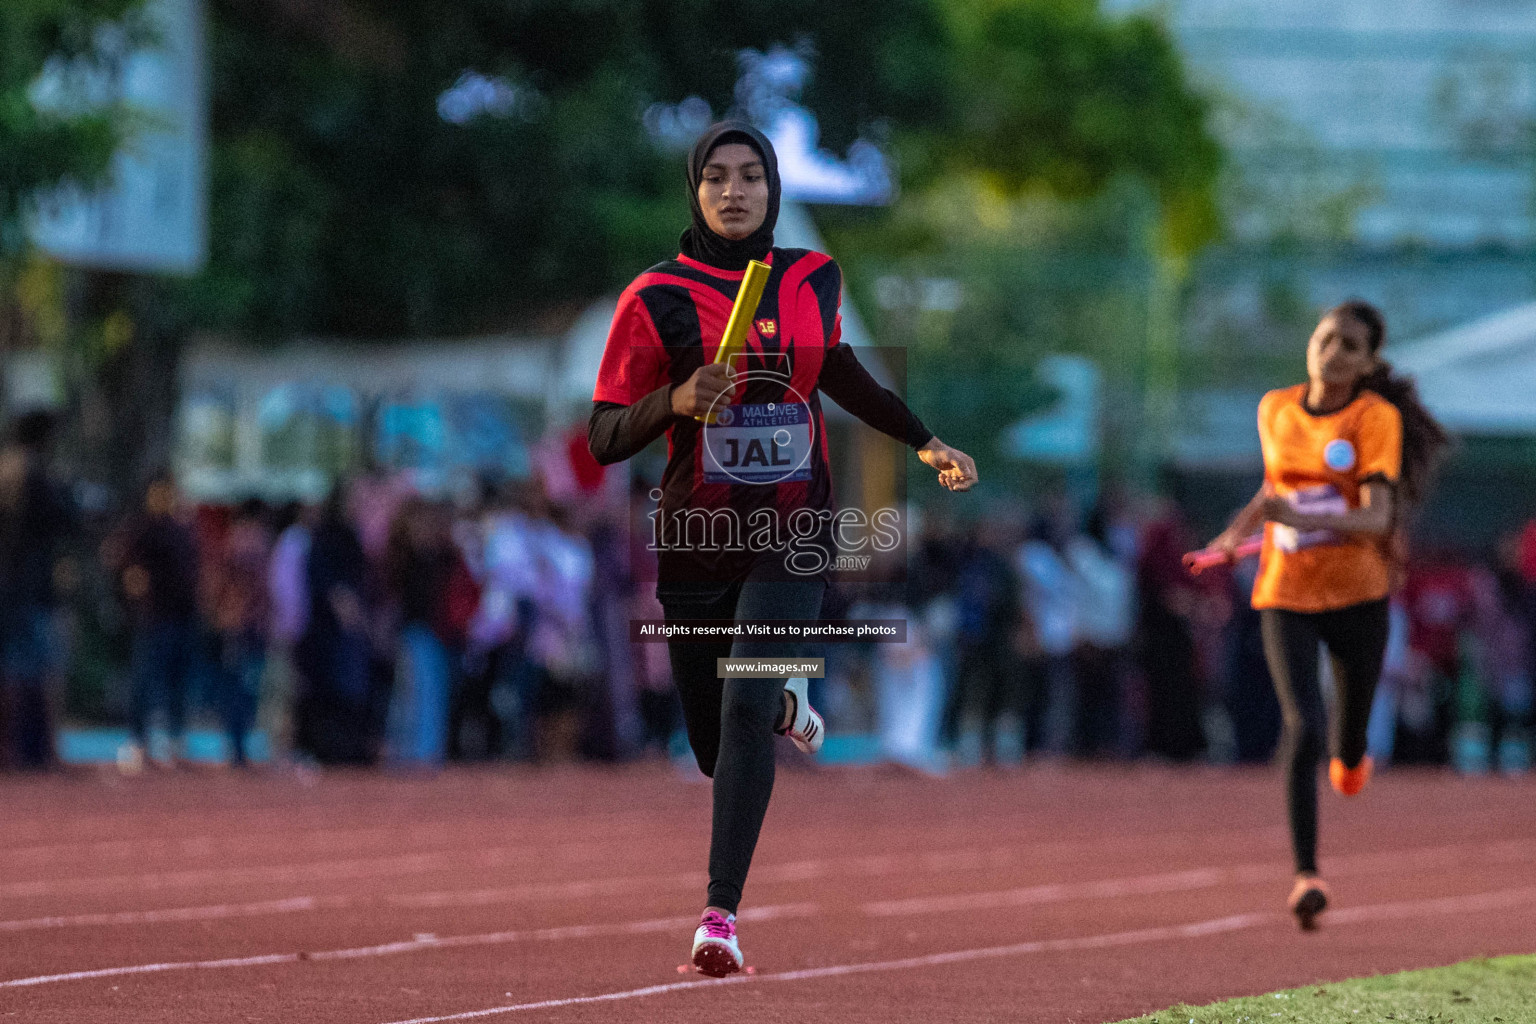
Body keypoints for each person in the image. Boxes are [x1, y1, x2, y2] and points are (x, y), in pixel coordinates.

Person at [587, 120, 977, 977]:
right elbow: (606, 434)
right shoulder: (653, 297)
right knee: (713, 744)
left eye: (752, 176)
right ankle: (786, 710)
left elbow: (839, 370)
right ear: (694, 190)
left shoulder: (810, 275)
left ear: (772, 189)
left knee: (741, 705)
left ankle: (718, 915)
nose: (735, 192)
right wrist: (677, 399)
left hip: (793, 531)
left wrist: (924, 441)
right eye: (717, 177)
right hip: (697, 536)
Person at [1205, 299, 1446, 930]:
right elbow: (1272, 488)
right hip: (1286, 590)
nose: (1330, 350)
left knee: (1345, 743)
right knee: (1301, 723)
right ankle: (1306, 874)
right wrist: (1233, 537)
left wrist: (1307, 518)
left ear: (1367, 363)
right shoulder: (1275, 408)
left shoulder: (1374, 418)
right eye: (1325, 337)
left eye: (1348, 345)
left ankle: (1352, 756)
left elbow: (1377, 516)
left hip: (1359, 593)